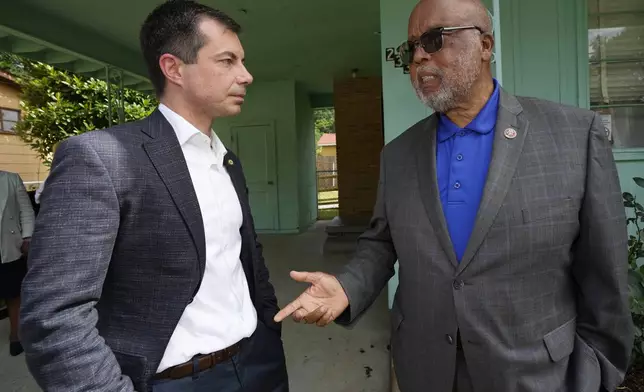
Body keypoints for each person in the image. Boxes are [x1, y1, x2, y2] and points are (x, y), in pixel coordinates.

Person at [274, 0, 634, 391]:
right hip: (427, 370)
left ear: (485, 46)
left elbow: (605, 278)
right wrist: (347, 288)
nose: (419, 57)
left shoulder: (573, 135)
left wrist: (596, 373)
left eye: (434, 39)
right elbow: (380, 243)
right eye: (409, 48)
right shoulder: (398, 155)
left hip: (538, 374)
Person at [20, 2, 288, 391]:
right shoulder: (102, 157)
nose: (246, 76)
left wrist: (268, 327)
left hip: (259, 362)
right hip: (176, 380)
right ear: (174, 68)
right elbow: (53, 316)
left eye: (242, 61)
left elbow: (247, 256)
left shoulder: (227, 160)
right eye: (227, 61)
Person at [0, 170, 34, 357]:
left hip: (8, 246)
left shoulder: (11, 179)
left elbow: (26, 211)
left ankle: (16, 335)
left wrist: (27, 237)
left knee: (14, 295)